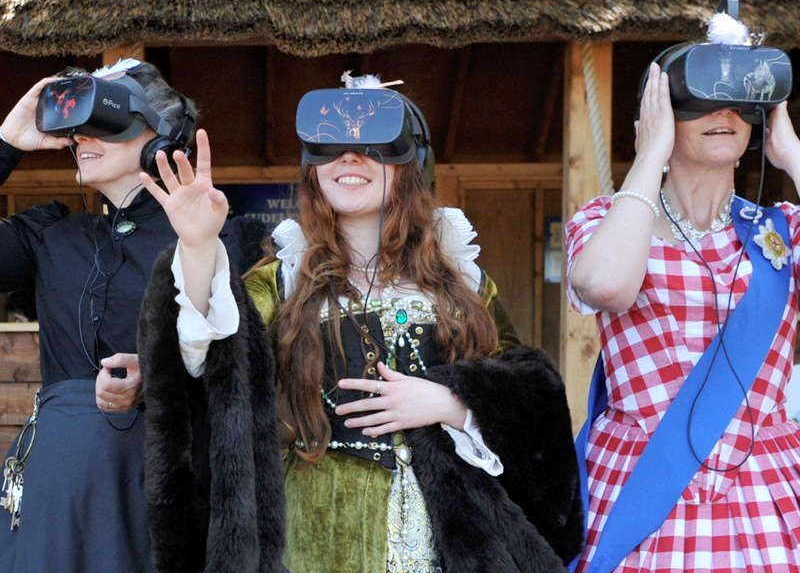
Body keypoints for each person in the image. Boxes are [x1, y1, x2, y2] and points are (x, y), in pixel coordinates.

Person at [137, 73, 583, 572]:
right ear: (313, 169)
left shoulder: (461, 283)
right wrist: (198, 246)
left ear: (410, 163)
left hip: (451, 532)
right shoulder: (282, 280)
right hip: (319, 530)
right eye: (330, 145)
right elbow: (211, 364)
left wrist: (453, 402)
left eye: (375, 143)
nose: (350, 157)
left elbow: (529, 398)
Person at [0, 60, 279, 573]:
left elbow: (241, 375)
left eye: (104, 119)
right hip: (55, 487)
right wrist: (7, 143)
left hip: (159, 489)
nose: (82, 136)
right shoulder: (50, 234)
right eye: (77, 125)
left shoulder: (221, 241)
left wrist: (158, 379)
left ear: (161, 138)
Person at [566, 2, 800, 573]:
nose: (723, 111)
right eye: (699, 98)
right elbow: (605, 285)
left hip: (764, 490)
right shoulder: (604, 222)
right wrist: (651, 153)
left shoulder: (784, 230)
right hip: (640, 485)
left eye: (740, 99)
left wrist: (791, 151)